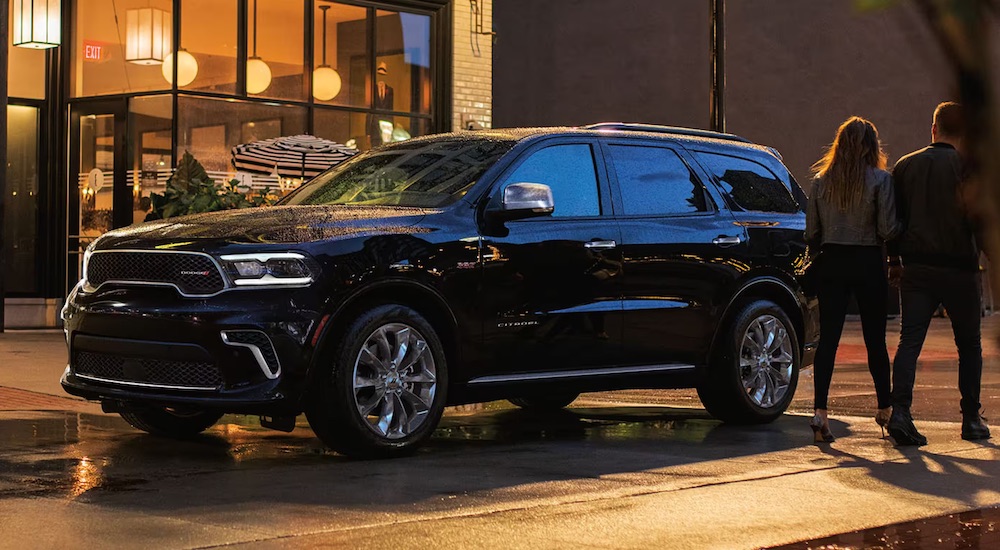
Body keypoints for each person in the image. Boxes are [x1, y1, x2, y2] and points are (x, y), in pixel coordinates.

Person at [887, 102, 990, 445]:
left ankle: (900, 411)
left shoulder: (905, 166)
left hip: (917, 268)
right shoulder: (970, 169)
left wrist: (894, 261)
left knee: (909, 341)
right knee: (969, 345)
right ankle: (971, 418)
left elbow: (893, 220)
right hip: (961, 270)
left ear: (933, 129)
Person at [805, 116, 900, 443]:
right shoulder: (880, 180)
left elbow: (811, 234)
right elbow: (887, 229)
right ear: (872, 146)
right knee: (875, 339)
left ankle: (820, 413)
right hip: (867, 262)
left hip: (831, 262)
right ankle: (885, 409)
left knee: (828, 339)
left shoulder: (820, 182)